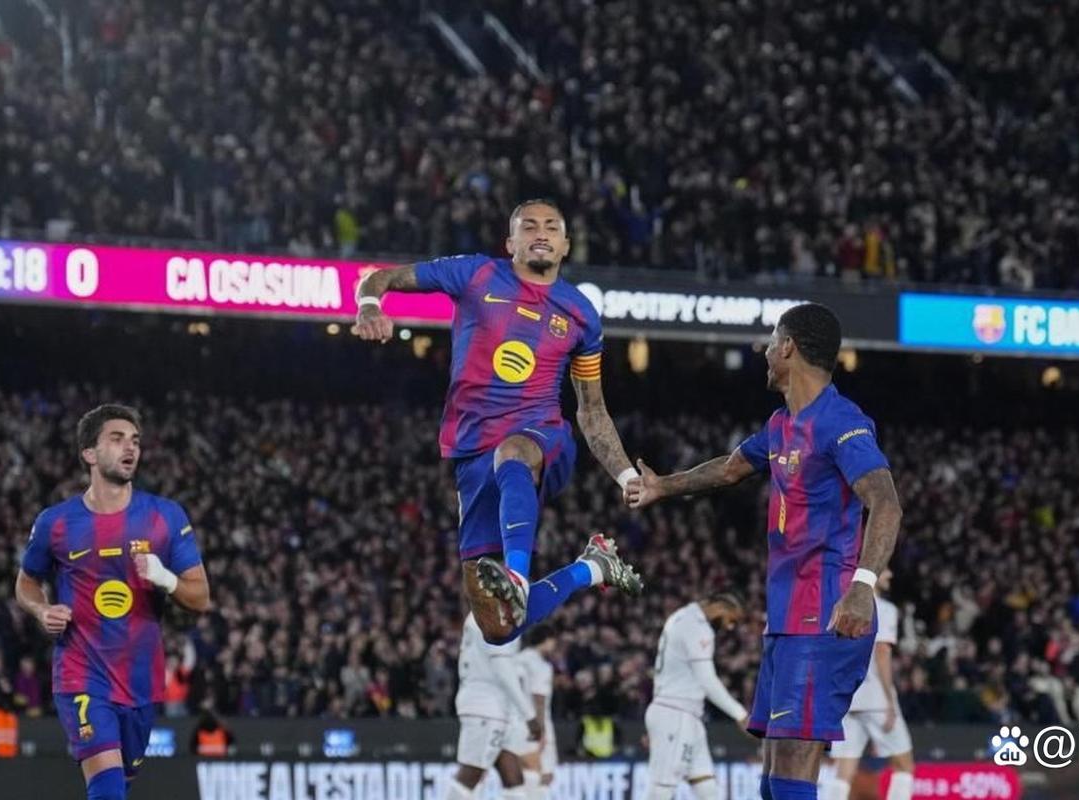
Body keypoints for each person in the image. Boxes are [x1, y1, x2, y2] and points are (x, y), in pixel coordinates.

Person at [627, 303, 904, 800]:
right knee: (775, 771)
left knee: (795, 761)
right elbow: (730, 468)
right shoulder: (781, 424)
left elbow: (886, 502)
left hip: (826, 610)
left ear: (788, 348)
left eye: (772, 342)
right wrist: (663, 486)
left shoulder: (841, 421)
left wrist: (863, 588)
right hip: (787, 618)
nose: (765, 352)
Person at [353, 198, 643, 643]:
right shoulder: (475, 274)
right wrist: (370, 305)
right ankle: (591, 568)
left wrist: (626, 476)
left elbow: (591, 409)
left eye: (551, 227)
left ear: (566, 245)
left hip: (541, 435)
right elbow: (382, 277)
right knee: (497, 627)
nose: (541, 233)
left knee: (513, 452)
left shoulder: (581, 314)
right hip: (471, 448)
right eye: (529, 226)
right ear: (510, 242)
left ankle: (518, 576)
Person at [14, 404, 211, 800]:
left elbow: (200, 597)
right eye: (117, 439)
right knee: (106, 789)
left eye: (135, 440)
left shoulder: (165, 517)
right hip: (82, 674)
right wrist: (42, 609)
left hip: (140, 680)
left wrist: (165, 578)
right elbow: (27, 582)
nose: (130, 448)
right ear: (89, 453)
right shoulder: (56, 522)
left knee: (119, 788)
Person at [644, 593, 749, 800]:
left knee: (707, 788)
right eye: (731, 619)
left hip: (682, 714)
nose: (730, 627)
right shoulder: (697, 627)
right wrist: (740, 714)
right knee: (662, 789)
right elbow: (707, 680)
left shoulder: (681, 616)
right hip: (676, 714)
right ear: (720, 607)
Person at [822, 570, 913, 800]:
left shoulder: (840, 607)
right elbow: (882, 652)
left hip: (847, 698)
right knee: (904, 766)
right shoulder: (884, 608)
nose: (890, 574)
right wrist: (890, 701)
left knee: (844, 771)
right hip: (876, 699)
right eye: (886, 569)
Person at [449, 613, 541, 800]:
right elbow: (502, 668)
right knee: (471, 773)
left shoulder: (481, 612)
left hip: (493, 705)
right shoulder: (496, 614)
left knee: (513, 777)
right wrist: (529, 715)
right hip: (486, 705)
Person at [518, 625, 561, 800]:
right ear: (547, 640)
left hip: (518, 723)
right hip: (537, 723)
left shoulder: (517, 659)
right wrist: (541, 731)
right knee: (544, 774)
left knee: (524, 773)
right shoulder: (541, 665)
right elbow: (539, 699)